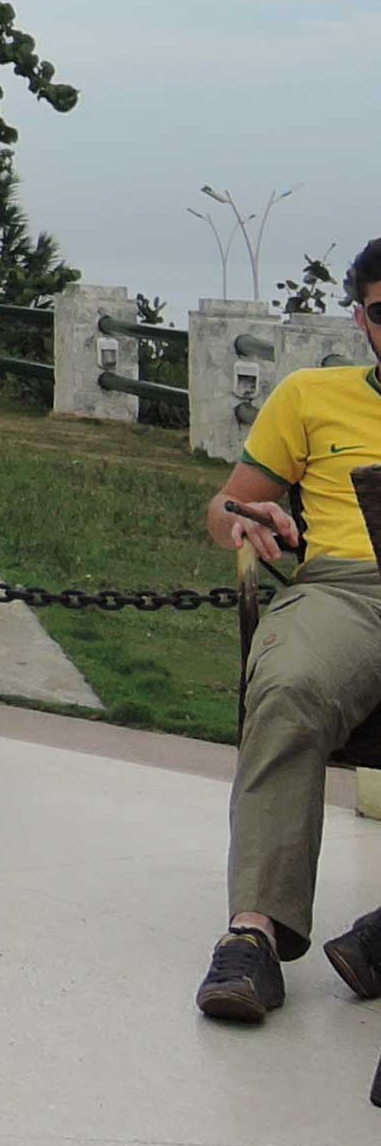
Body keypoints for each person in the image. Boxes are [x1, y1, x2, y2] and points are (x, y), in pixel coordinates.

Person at [194, 236, 381, 1022]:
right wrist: (246, 517)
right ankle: (254, 937)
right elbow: (220, 507)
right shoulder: (311, 395)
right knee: (289, 685)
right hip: (348, 587)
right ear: (363, 319)